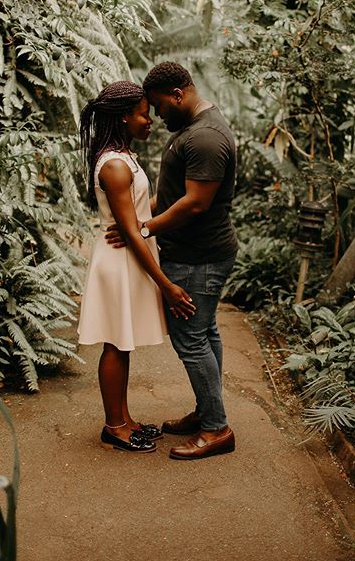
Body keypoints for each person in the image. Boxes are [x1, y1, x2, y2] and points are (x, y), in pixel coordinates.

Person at [106, 62, 238, 460]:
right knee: (205, 333)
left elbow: (195, 203)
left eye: (159, 107)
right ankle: (207, 411)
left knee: (192, 339)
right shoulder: (193, 131)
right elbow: (177, 194)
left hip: (200, 258)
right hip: (196, 254)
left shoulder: (205, 138)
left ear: (178, 94)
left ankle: (217, 429)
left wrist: (144, 228)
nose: (157, 115)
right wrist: (141, 222)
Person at [77, 80, 196, 454]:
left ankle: (124, 419)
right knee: (115, 343)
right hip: (119, 261)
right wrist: (165, 285)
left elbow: (138, 216)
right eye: (144, 114)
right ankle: (114, 426)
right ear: (124, 116)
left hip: (128, 254)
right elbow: (131, 232)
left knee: (122, 343)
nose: (150, 120)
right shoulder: (113, 165)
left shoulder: (122, 156)